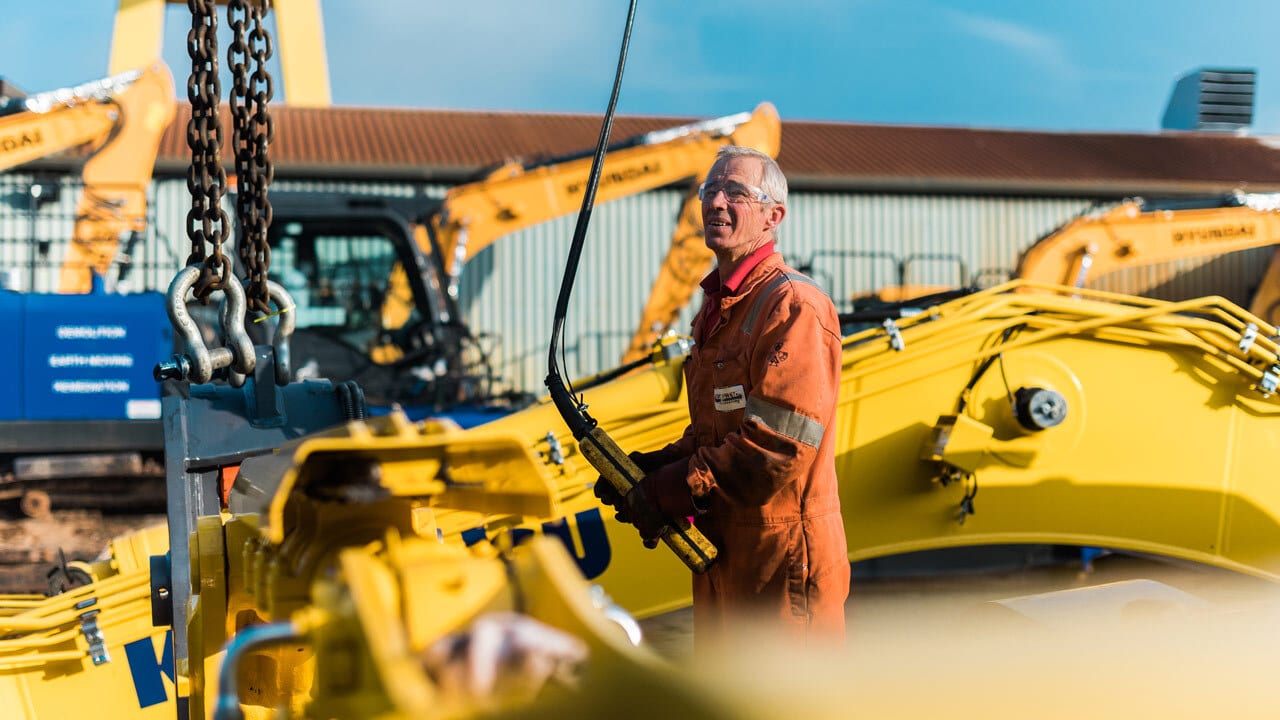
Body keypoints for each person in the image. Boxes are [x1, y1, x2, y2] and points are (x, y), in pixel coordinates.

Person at [596, 145, 849, 648]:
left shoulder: (792, 305)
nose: (715, 203)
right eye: (709, 191)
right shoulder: (718, 311)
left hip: (781, 567)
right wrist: (649, 471)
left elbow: (778, 445)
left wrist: (672, 489)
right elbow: (717, 432)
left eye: (735, 192)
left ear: (774, 216)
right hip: (726, 557)